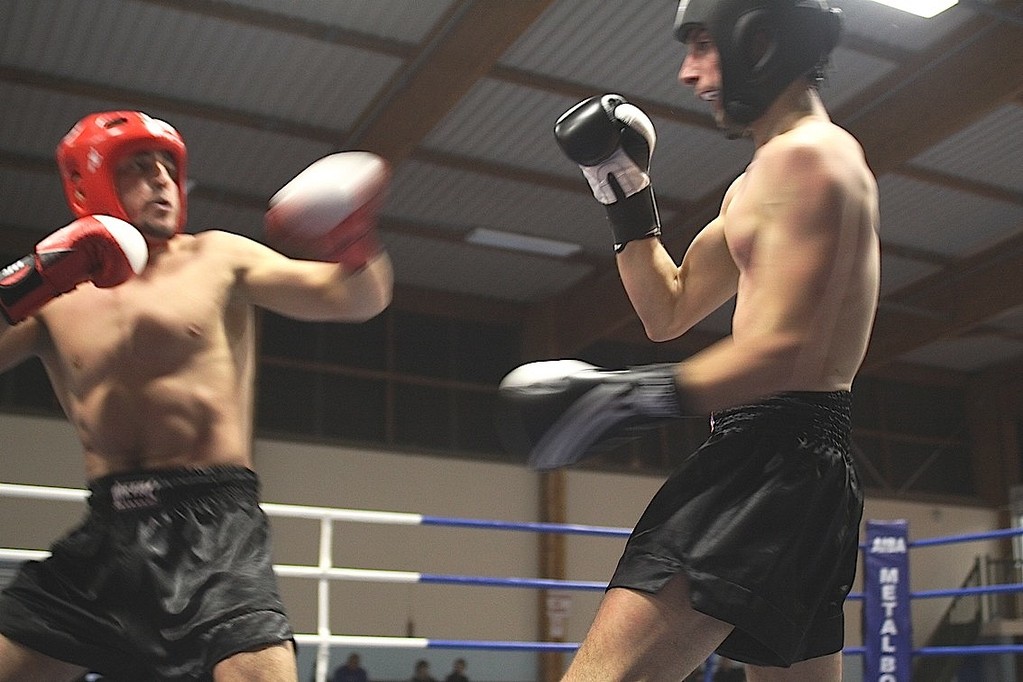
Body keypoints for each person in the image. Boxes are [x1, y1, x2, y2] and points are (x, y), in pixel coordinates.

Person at [499, 0, 878, 680]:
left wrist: (623, 400)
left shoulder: (809, 160)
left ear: (758, 41)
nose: (686, 71)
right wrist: (621, 186)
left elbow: (791, 350)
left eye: (701, 45)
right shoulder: (761, 180)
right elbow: (665, 310)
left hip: (767, 460)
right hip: (802, 467)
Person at [0, 111, 394, 681]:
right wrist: (35, 278)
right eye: (138, 167)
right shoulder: (56, 293)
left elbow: (354, 300)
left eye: (168, 167)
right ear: (89, 183)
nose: (162, 180)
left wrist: (355, 244)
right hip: (108, 527)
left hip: (214, 523)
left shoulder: (217, 258)